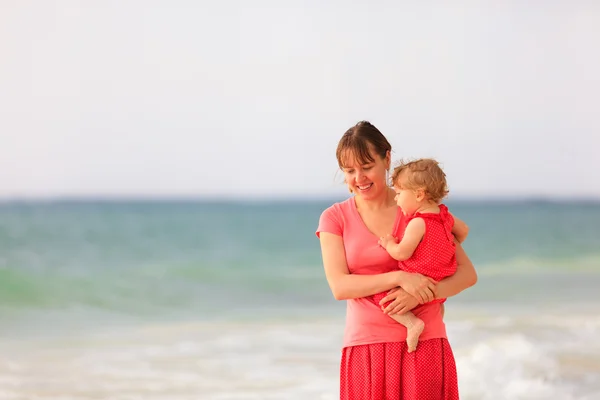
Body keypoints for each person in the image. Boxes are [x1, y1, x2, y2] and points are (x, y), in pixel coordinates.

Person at [316, 121, 477, 400]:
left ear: (387, 158)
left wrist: (421, 295)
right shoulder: (334, 218)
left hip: (423, 344)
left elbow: (466, 274)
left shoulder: (419, 208)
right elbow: (339, 286)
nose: (359, 178)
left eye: (367, 167)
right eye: (349, 171)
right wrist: (400, 278)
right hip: (366, 346)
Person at [374, 158, 469, 353]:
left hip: (418, 278)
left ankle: (411, 324)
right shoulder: (445, 217)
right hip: (440, 279)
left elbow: (401, 253)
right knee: (438, 310)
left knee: (381, 296)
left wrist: (389, 243)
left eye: (399, 194)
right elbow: (464, 231)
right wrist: (446, 240)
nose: (395, 199)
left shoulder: (418, 223)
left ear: (418, 195)